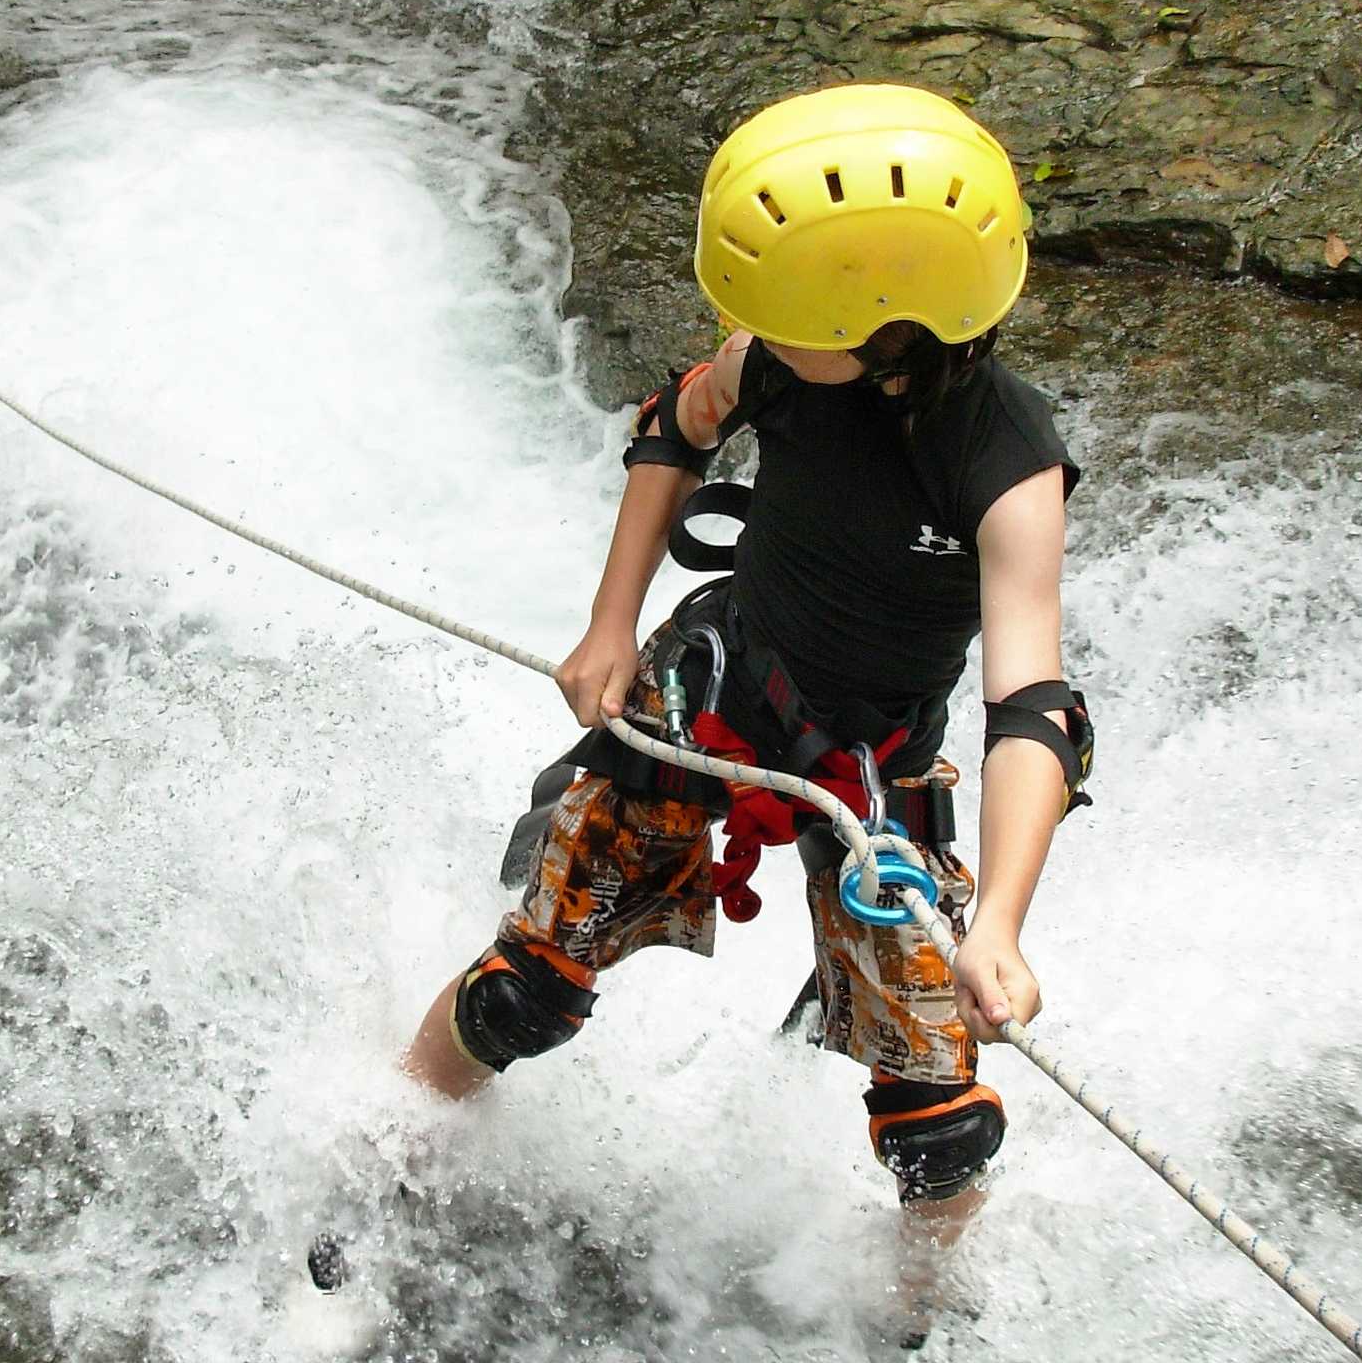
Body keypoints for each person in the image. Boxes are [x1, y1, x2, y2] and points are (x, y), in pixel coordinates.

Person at [403, 82, 1091, 1318]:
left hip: (880, 771)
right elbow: (674, 426)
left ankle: (916, 1312)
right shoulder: (778, 363)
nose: (746, 323)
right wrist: (611, 625)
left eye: (777, 303)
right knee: (527, 992)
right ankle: (389, 1149)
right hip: (719, 691)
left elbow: (1035, 708)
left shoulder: (1009, 468)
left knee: (942, 1124)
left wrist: (1001, 929)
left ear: (889, 323)